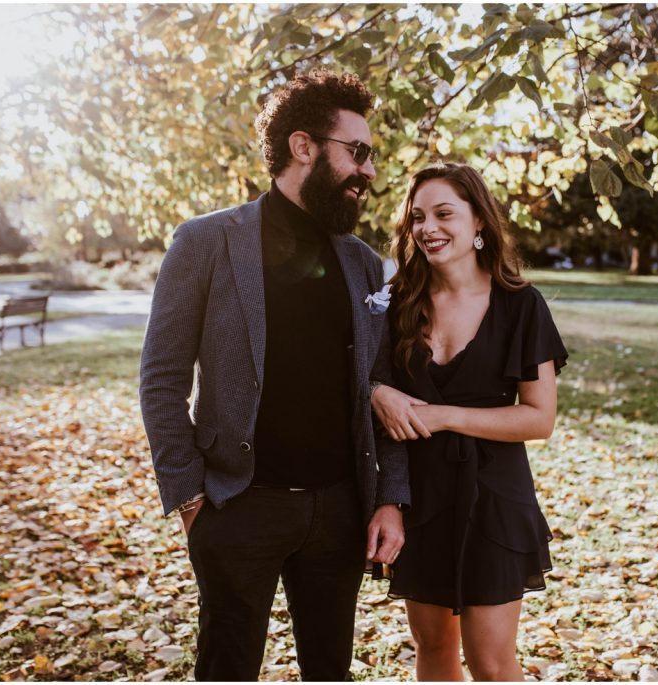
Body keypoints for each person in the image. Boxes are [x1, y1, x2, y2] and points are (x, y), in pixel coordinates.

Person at [139, 70, 409, 682]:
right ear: (304, 147)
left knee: (329, 672)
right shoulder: (206, 242)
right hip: (239, 507)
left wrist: (390, 498)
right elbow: (161, 378)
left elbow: (386, 390)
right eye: (358, 152)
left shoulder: (364, 263)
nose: (368, 170)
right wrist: (188, 496)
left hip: (341, 513)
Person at [370, 163, 567, 681]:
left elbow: (539, 418)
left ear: (478, 221)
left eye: (443, 214)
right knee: (432, 648)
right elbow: (358, 381)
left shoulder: (521, 305)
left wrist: (445, 416)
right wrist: (376, 392)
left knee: (491, 661)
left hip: (494, 497)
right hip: (420, 496)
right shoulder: (397, 305)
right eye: (417, 217)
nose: (427, 228)